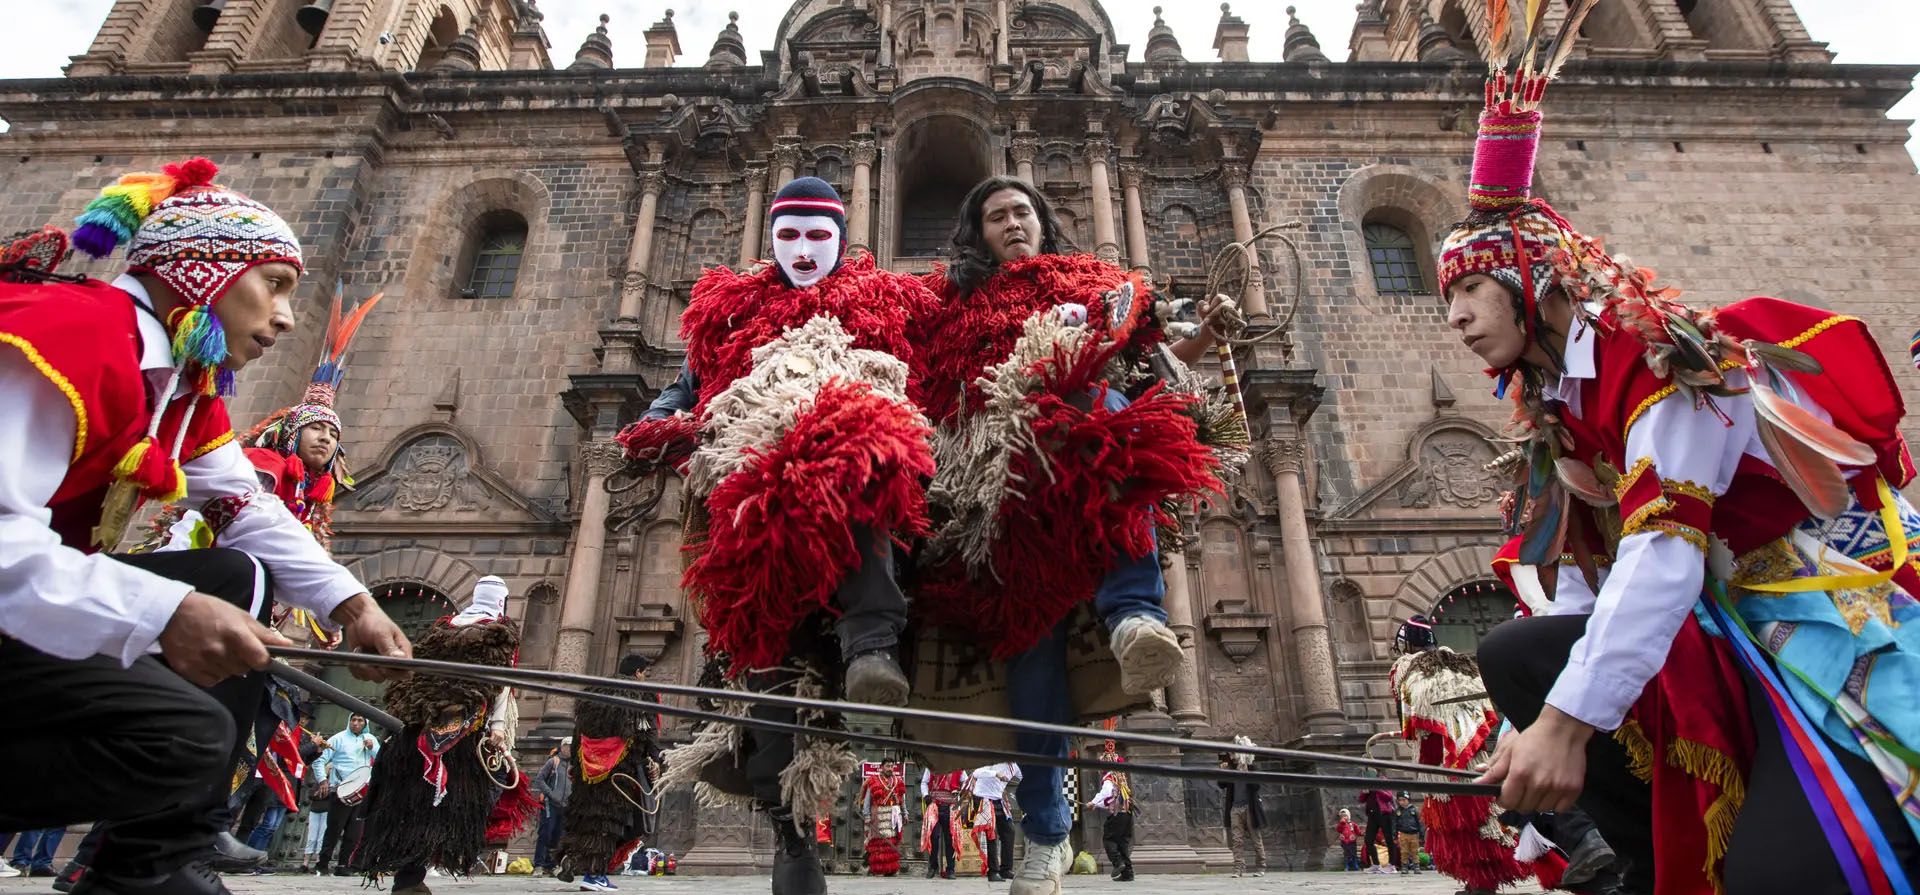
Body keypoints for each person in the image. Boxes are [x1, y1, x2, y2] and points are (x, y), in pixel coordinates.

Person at [1437, 13, 1920, 892]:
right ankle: (1642, 859)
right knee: (1514, 652)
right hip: (1709, 629)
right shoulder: (1559, 411)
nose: (1459, 318)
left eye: (1470, 288)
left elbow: (1663, 557)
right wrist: (1530, 719)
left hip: (1806, 617)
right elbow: (1583, 577)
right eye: (1448, 300)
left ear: (1529, 274)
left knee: (1798, 870)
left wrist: (1568, 723)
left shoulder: (1662, 362)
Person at [0, 159, 410, 895]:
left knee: (235, 574)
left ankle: (148, 861)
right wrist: (168, 611)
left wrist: (354, 604)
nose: (287, 314)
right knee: (185, 735)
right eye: (274, 285)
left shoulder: (182, 388)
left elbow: (245, 506)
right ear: (197, 272)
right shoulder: (72, 335)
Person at [912, 175, 1232, 895]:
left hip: (1084, 456)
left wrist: (1208, 332)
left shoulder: (1096, 284)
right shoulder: (952, 302)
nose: (1013, 223)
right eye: (997, 215)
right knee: (1034, 659)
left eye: (1024, 211)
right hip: (999, 480)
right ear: (978, 231)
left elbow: (1162, 349)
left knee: (1107, 401)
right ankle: (1046, 832)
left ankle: (1136, 613)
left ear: (1044, 221)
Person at [640, 177, 940, 895]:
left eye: (817, 235)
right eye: (790, 235)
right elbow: (685, 388)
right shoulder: (730, 313)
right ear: (771, 238)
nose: (803, 250)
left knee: (857, 441)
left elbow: (932, 366)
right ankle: (790, 832)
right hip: (752, 505)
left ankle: (871, 639)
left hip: (856, 485)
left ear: (840, 238)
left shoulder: (882, 306)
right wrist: (660, 420)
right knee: (768, 674)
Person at [357, 575, 533, 895]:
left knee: (414, 799)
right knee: (452, 804)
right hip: (464, 731)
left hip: (420, 724)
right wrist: (497, 727)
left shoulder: (444, 626)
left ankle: (407, 874)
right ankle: (413, 874)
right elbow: (500, 683)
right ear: (502, 601)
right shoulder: (500, 631)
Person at [556, 653, 667, 892]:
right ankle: (593, 875)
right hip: (621, 773)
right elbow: (648, 734)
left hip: (588, 769)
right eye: (645, 674)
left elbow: (578, 734)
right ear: (638, 673)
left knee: (587, 819)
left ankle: (574, 858)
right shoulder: (641, 695)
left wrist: (577, 764)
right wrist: (655, 760)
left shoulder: (594, 694)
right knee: (614, 823)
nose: (645, 678)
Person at [314, 714, 380, 876]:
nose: (356, 723)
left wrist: (372, 748)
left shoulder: (370, 738)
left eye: (360, 721)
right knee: (334, 830)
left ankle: (343, 865)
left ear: (365, 724)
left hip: (361, 792)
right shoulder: (339, 738)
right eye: (353, 720)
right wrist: (323, 780)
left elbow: (381, 759)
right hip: (340, 790)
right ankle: (322, 864)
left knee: (354, 833)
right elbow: (319, 760)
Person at [1216, 740, 1267, 878]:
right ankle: (1238, 868)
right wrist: (1222, 771)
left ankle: (1261, 866)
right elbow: (1221, 785)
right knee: (1237, 840)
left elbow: (1256, 787)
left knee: (1256, 838)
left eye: (1232, 752)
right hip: (1235, 808)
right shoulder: (1231, 769)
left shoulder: (1252, 767)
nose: (1230, 755)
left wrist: (1247, 774)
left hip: (1250, 808)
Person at [1086, 744, 1135, 882]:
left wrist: (1094, 802)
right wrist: (1096, 805)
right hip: (1126, 813)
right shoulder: (1121, 778)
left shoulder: (1109, 778)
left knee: (1109, 838)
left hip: (1117, 814)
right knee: (1122, 842)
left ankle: (1118, 863)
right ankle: (1128, 873)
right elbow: (1112, 798)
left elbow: (1106, 793)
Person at [967, 763, 1019, 882]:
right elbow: (976, 773)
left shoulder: (1015, 766)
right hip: (983, 798)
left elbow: (1024, 777)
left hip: (998, 799)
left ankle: (1006, 869)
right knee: (991, 834)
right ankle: (993, 872)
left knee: (1009, 831)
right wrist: (996, 774)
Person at [532, 738, 574, 875]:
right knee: (545, 833)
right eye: (567, 746)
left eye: (572, 747)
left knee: (558, 836)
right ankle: (539, 865)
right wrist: (550, 794)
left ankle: (552, 865)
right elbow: (539, 779)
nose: (569, 749)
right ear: (562, 747)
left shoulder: (575, 766)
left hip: (566, 805)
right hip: (551, 804)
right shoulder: (553, 762)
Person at [859, 763, 906, 877]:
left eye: (891, 766)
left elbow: (902, 800)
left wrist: (905, 813)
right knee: (877, 843)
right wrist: (867, 816)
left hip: (893, 816)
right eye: (887, 766)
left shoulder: (897, 781)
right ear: (882, 767)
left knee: (891, 843)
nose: (890, 769)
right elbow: (867, 800)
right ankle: (876, 868)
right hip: (877, 815)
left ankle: (890, 869)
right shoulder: (873, 781)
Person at [919, 769, 965, 880]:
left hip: (951, 807)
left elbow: (966, 782)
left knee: (950, 839)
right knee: (933, 837)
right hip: (934, 805)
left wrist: (960, 791)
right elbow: (924, 782)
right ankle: (933, 866)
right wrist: (926, 795)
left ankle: (950, 869)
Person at [1358, 783, 1397, 873]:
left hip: (1384, 814)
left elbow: (1389, 796)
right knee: (1368, 839)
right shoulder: (1366, 781)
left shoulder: (1382, 780)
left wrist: (1376, 788)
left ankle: (1392, 865)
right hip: (1372, 814)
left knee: (1389, 839)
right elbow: (1361, 799)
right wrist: (1364, 792)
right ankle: (1376, 864)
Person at [1393, 794, 1424, 875]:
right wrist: (1394, 835)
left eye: (1404, 800)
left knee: (1415, 851)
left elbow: (1420, 823)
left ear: (1408, 800)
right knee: (1404, 851)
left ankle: (1416, 866)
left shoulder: (1414, 810)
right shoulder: (1398, 811)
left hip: (1414, 834)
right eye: (1400, 800)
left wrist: (1421, 834)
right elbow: (1394, 824)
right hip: (1403, 833)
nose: (1402, 802)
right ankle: (1404, 866)